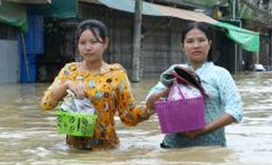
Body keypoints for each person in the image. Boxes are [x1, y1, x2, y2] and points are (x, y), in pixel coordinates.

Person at [40, 19, 152, 149]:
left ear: (105, 43)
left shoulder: (116, 74)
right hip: (74, 150)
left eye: (94, 42)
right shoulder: (69, 71)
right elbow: (46, 104)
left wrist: (150, 109)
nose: (88, 47)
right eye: (82, 43)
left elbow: (128, 117)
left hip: (106, 150)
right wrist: (67, 86)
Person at [145, 22, 243, 148]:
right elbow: (149, 104)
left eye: (201, 40)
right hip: (173, 149)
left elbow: (236, 111)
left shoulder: (220, 74)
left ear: (209, 44)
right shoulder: (174, 72)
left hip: (211, 150)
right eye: (190, 41)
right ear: (182, 46)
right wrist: (169, 90)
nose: (196, 46)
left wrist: (203, 130)